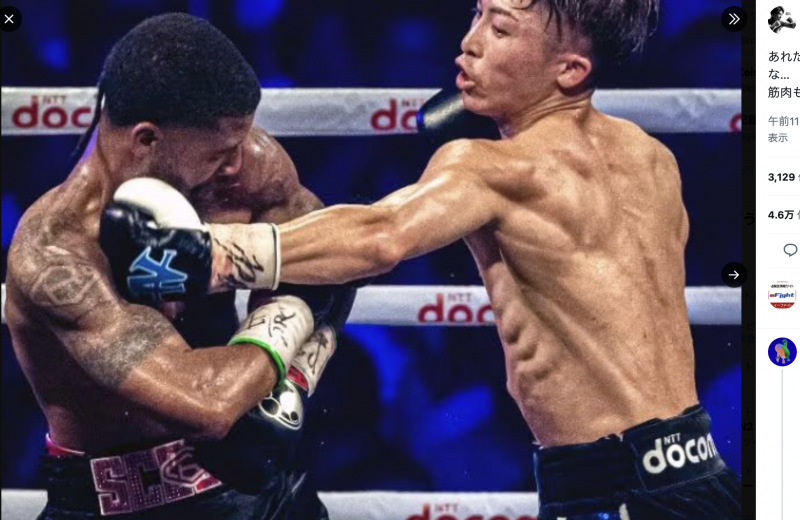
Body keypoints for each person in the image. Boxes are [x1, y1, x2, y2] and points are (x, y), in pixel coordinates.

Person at [106, 1, 742, 518]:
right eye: (476, 15)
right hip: (702, 470)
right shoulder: (652, 159)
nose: (469, 43)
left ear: (570, 71)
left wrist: (210, 254)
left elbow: (380, 238)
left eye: (500, 30)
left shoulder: (491, 168)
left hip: (610, 485)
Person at [5, 13, 353, 520]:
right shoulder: (57, 253)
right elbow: (208, 406)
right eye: (220, 151)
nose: (237, 163)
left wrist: (294, 383)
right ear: (147, 140)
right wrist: (291, 319)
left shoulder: (242, 171)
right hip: (117, 504)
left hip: (263, 488)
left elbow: (340, 257)